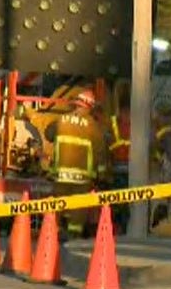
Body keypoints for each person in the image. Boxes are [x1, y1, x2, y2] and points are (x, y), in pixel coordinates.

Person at [44, 88, 109, 238]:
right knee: (78, 210)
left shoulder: (62, 120)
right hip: (82, 179)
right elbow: (100, 153)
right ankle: (73, 236)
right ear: (89, 107)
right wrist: (103, 175)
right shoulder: (93, 127)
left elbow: (48, 134)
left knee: (58, 206)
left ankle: (53, 235)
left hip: (60, 175)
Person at [108, 99, 131, 234]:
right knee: (122, 203)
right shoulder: (138, 123)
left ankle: (120, 227)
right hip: (125, 171)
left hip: (119, 170)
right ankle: (121, 227)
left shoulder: (113, 124)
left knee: (119, 202)